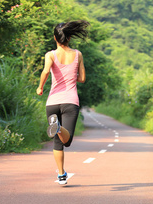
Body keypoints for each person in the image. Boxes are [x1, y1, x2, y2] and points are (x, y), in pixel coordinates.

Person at [36, 20, 89, 185]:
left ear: (55, 38)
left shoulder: (50, 55)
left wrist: (40, 87)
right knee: (67, 140)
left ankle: (61, 174)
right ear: (70, 37)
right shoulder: (78, 54)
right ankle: (58, 127)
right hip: (70, 101)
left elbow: (46, 71)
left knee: (57, 141)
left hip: (52, 101)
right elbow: (82, 79)